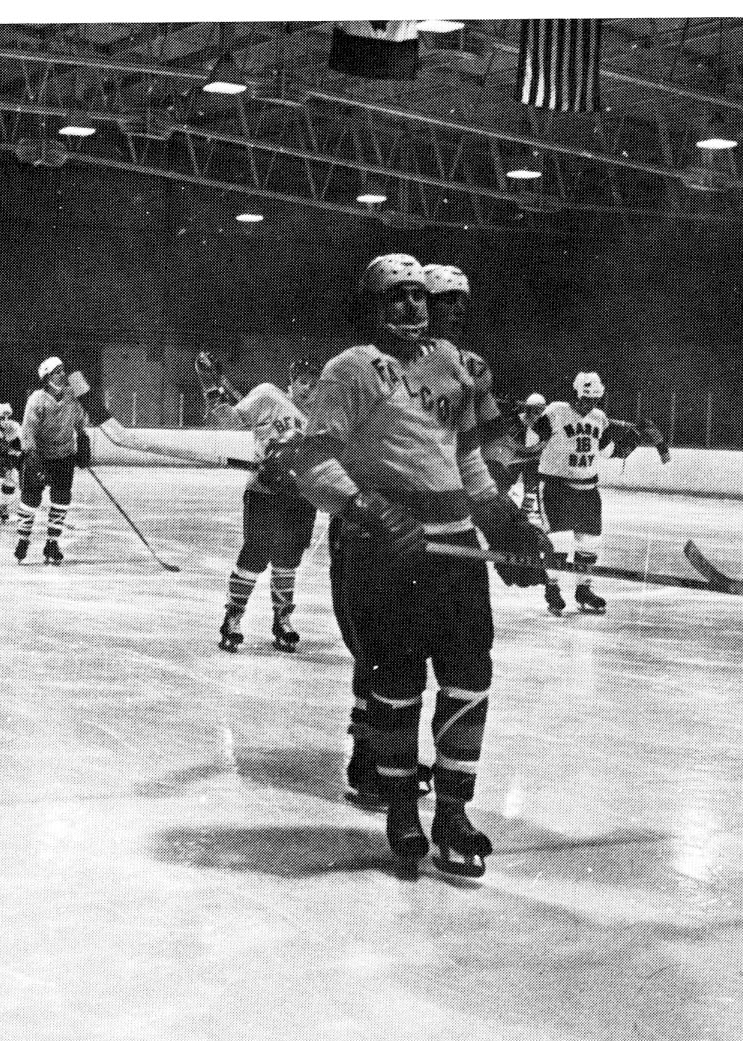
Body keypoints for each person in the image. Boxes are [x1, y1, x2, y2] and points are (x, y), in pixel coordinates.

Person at [290, 252, 549, 879]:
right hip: (386, 552)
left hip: (454, 546)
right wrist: (364, 507)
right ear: (373, 306)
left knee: (470, 674)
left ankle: (453, 809)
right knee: (397, 678)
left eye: (417, 295)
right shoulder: (351, 370)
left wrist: (506, 523)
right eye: (395, 296)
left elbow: (467, 461)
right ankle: (403, 800)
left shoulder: (451, 366)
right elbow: (311, 458)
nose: (410, 306)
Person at [529, 371, 665, 615]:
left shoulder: (599, 418)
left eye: (593, 400)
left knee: (590, 542)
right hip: (555, 487)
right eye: (584, 399)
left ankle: (583, 588)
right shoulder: (556, 411)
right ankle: (553, 589)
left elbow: (607, 452)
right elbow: (531, 440)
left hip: (588, 489)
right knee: (557, 542)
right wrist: (530, 423)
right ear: (575, 395)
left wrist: (633, 439)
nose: (588, 405)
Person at [217, 359, 319, 654]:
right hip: (264, 491)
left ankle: (282, 619)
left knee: (288, 559)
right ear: (292, 380)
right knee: (255, 554)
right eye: (303, 382)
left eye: (314, 384)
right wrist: (211, 386)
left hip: (300, 496)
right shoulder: (268, 396)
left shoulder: (323, 416)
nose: (309, 389)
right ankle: (233, 617)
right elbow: (230, 420)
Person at [15, 356, 91, 564]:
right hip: (39, 456)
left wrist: (83, 440)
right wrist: (32, 457)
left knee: (61, 499)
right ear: (47, 376)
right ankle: (23, 540)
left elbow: (79, 421)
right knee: (31, 500)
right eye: (57, 371)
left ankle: (52, 543)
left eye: (63, 370)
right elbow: (28, 432)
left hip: (64, 456)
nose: (62, 374)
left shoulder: (71, 396)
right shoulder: (37, 399)